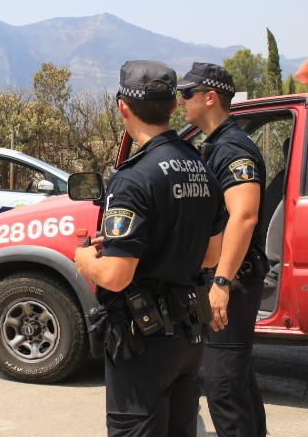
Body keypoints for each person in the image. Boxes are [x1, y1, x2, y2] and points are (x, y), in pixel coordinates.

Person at [75, 60, 225, 437]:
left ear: (123, 107)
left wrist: (85, 260)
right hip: (187, 334)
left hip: (142, 340)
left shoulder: (133, 177)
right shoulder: (201, 166)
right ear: (174, 106)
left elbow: (116, 275)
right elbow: (210, 256)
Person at [178, 62, 268, 437]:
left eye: (187, 94)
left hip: (230, 281)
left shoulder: (233, 148)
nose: (181, 101)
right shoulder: (212, 144)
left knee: (222, 386)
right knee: (237, 376)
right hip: (211, 281)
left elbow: (244, 216)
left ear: (209, 97)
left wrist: (221, 282)